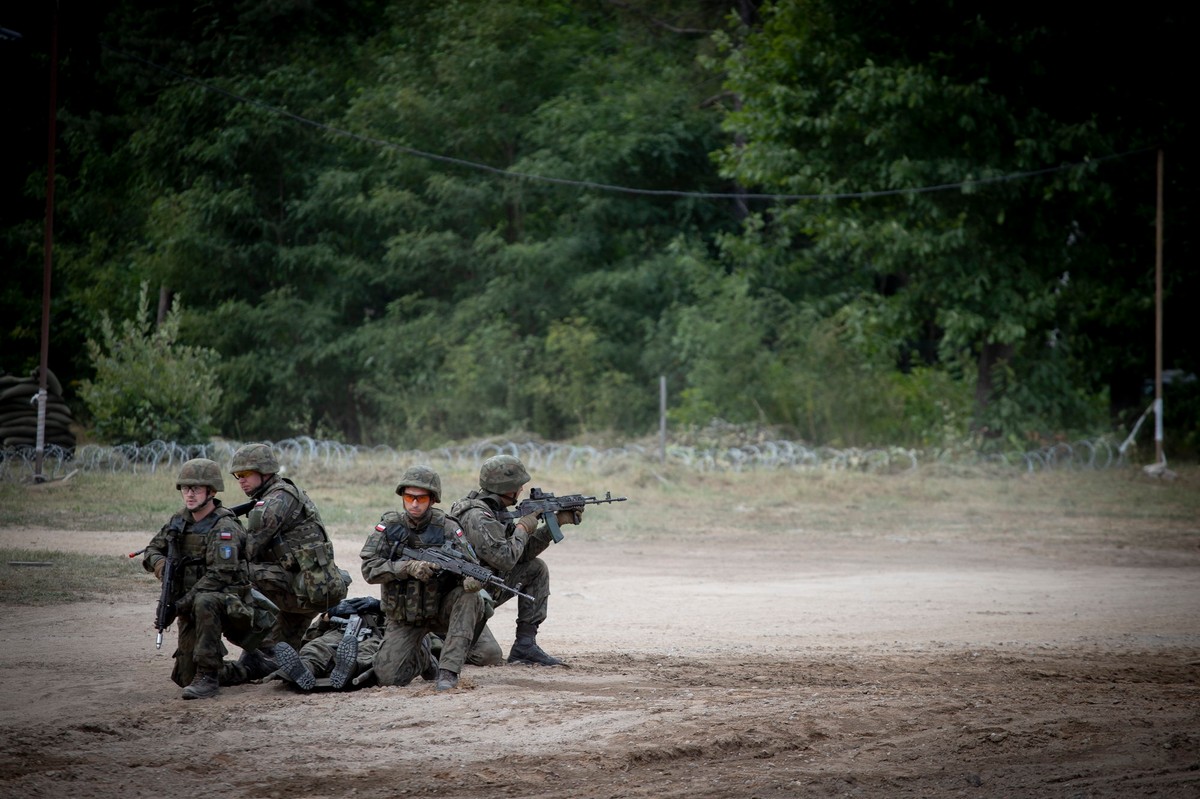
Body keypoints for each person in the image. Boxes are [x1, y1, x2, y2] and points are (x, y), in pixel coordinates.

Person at [141, 458, 277, 699]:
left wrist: (179, 605)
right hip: (193, 604)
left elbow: (220, 575)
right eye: (185, 488)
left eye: (196, 489)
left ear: (211, 491)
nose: (189, 494)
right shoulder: (179, 521)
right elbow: (152, 549)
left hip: (231, 604)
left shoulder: (225, 527)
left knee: (205, 599)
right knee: (184, 677)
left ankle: (208, 677)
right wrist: (162, 566)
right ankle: (249, 668)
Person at [360, 465, 486, 691]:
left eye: (421, 498)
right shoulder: (390, 527)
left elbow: (471, 567)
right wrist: (406, 567)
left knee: (470, 597)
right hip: (404, 617)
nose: (414, 504)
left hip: (440, 609)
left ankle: (448, 671)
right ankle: (425, 659)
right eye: (409, 497)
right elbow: (369, 569)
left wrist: (472, 581)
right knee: (388, 677)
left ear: (433, 499)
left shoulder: (448, 527)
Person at [450, 455, 582, 667]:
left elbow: (522, 553)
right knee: (488, 655)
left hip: (485, 589)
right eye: (518, 485)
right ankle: (438, 644)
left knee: (536, 569)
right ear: (505, 488)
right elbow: (505, 559)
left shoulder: (495, 511)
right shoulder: (477, 516)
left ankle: (525, 646)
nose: (522, 489)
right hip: (463, 599)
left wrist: (556, 522)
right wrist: (522, 528)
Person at [230, 442, 350, 651]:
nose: (241, 480)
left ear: (265, 471)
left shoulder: (273, 502)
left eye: (245, 474)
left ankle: (247, 636)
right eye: (237, 475)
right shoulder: (287, 492)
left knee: (235, 573)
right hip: (313, 586)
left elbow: (247, 551)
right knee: (277, 655)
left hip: (301, 590)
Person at [272, 597, 385, 691]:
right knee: (316, 647)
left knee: (367, 651)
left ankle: (350, 668)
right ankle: (304, 669)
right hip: (339, 632)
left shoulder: (386, 611)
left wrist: (380, 607)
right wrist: (329, 615)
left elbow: (394, 632)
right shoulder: (338, 616)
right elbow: (310, 636)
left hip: (374, 634)